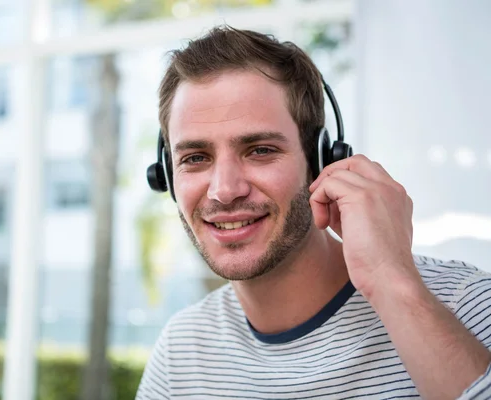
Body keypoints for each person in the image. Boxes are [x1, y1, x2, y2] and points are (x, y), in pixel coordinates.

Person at [136, 25, 491, 399]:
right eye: (195, 158)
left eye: (260, 150)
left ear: (321, 161)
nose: (224, 191)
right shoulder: (181, 351)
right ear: (167, 176)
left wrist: (391, 281)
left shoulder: (469, 306)